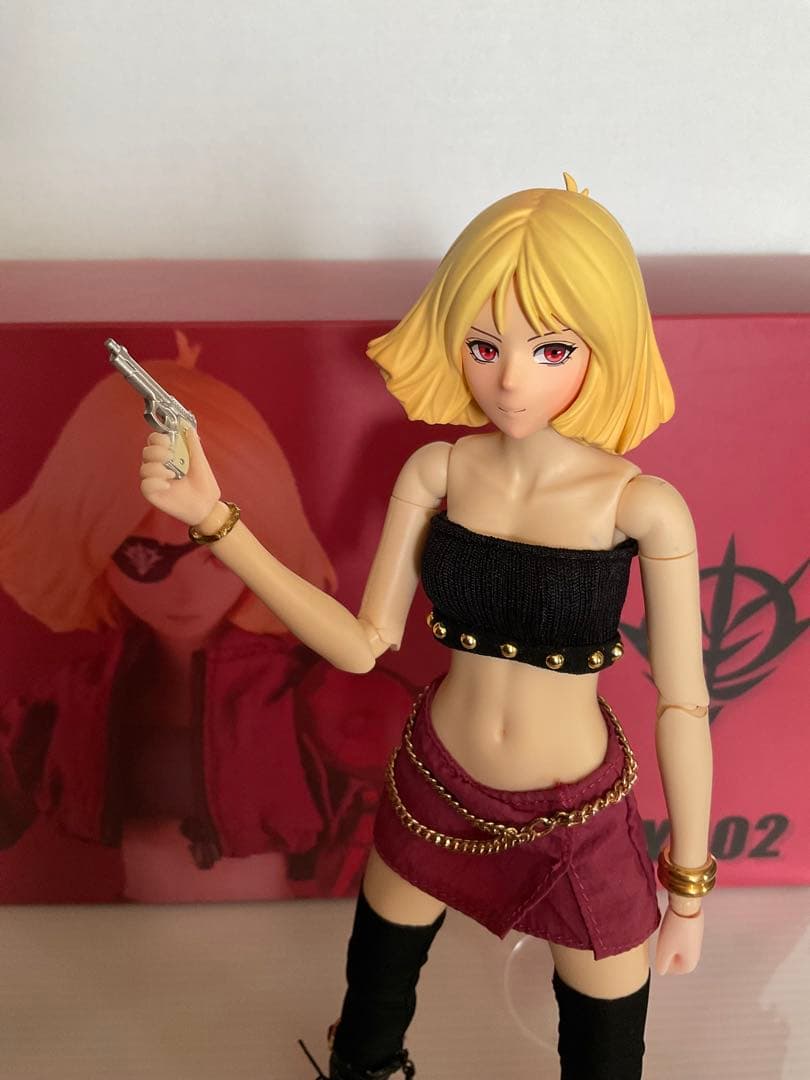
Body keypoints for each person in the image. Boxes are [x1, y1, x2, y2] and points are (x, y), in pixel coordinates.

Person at [137, 179, 714, 1078]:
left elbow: (685, 705)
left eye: (551, 348)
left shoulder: (642, 507)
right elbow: (360, 643)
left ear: (604, 346)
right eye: (485, 345)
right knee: (371, 1013)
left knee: (606, 1046)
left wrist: (688, 889)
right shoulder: (438, 470)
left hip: (577, 818)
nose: (510, 378)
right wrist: (216, 520)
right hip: (436, 789)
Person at [0, 333, 411, 902]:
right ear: (90, 545)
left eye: (215, 555)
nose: (187, 589)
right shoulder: (67, 702)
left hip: (275, 932)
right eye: (145, 557)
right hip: (125, 930)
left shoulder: (312, 694)